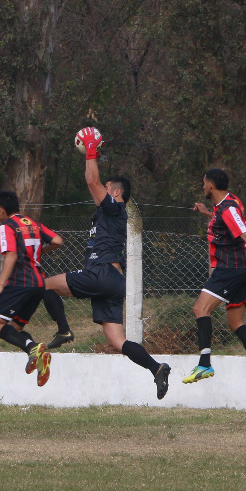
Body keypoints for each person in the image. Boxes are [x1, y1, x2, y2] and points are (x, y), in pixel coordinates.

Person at [44, 127, 172, 400]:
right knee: (116, 342)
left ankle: (64, 331)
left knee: (45, 285)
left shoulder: (114, 207)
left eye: (106, 188)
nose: (100, 189)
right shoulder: (109, 212)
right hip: (112, 282)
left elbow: (92, 182)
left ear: (114, 193)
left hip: (101, 273)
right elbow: (95, 186)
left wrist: (91, 151)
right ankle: (156, 368)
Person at [184, 168, 246, 398]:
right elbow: (226, 221)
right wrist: (207, 213)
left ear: (210, 185)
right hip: (243, 270)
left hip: (231, 268)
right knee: (235, 321)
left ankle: (204, 363)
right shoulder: (231, 202)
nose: (203, 187)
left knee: (200, 309)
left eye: (204, 183)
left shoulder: (228, 209)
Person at [0, 190, 61, 386]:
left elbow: (11, 255)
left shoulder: (6, 226)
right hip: (39, 284)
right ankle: (38, 356)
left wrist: (0, 285)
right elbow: (57, 241)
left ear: (1, 210)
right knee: (13, 329)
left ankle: (33, 347)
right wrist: (36, 251)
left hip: (19, 282)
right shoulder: (32, 224)